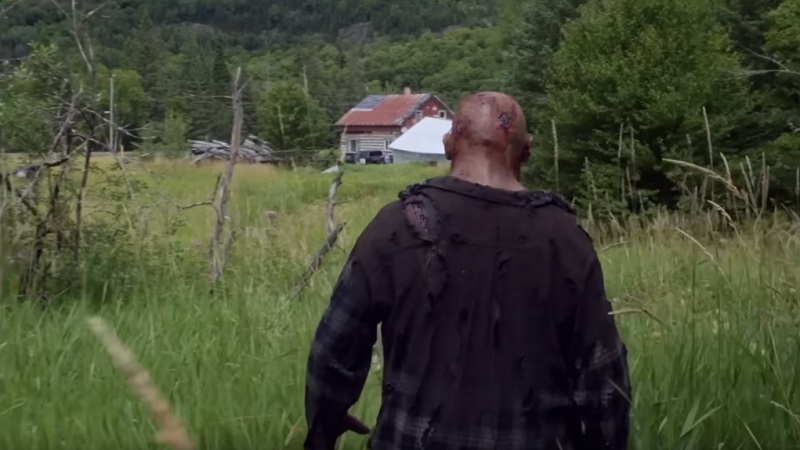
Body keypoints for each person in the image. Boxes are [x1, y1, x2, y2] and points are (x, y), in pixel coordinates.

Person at [304, 92, 631, 450]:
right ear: (527, 150)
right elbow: (604, 377)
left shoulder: (396, 226)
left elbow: (334, 348)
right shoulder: (565, 239)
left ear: (448, 144)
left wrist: (324, 427)